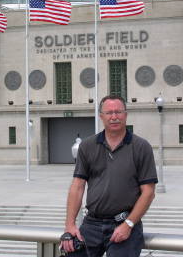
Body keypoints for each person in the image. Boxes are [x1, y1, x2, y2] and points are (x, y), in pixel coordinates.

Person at [61, 94, 158, 257]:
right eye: (109, 113)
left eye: (118, 112)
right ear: (101, 116)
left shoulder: (141, 147)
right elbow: (77, 187)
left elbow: (148, 192)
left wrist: (128, 224)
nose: (114, 117)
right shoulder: (87, 146)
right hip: (91, 223)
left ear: (125, 115)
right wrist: (69, 225)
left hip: (125, 223)